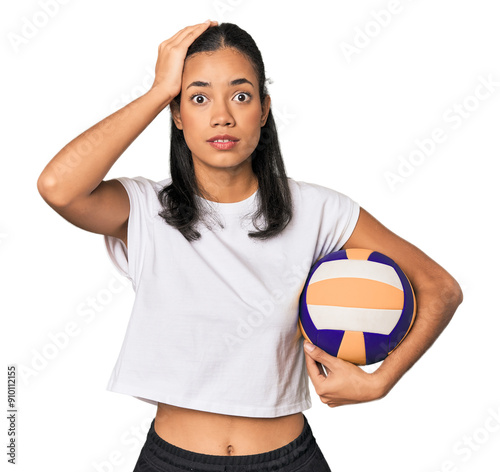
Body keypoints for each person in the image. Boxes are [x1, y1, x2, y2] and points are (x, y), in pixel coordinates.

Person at [37, 19, 463, 472]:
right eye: (198, 98)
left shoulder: (318, 209)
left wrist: (381, 383)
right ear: (177, 115)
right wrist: (158, 90)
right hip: (172, 461)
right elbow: (58, 187)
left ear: (263, 109)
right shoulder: (145, 208)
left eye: (241, 96)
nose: (222, 116)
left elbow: (440, 287)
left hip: (289, 460)